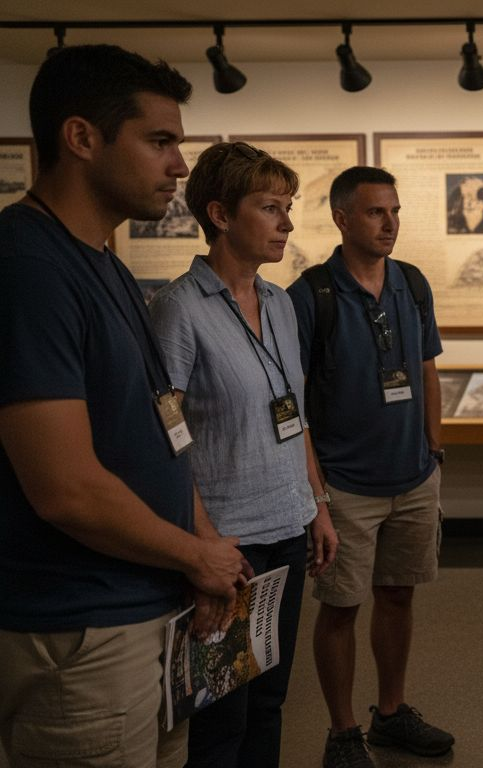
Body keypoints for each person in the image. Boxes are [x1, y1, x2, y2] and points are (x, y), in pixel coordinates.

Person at [0, 45, 250, 768]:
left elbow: (164, 425)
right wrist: (196, 555)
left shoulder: (103, 261)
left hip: (147, 607)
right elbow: (66, 488)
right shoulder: (30, 268)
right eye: (160, 140)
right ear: (81, 138)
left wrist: (202, 553)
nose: (179, 164)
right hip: (82, 633)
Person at [146, 141, 340, 768]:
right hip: (229, 542)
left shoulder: (281, 302)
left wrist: (318, 505)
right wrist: (204, 548)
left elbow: (295, 412)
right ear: (221, 214)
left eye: (289, 207)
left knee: (269, 700)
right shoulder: (180, 309)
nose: (286, 222)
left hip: (286, 529)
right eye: (269, 207)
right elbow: (165, 439)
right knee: (221, 710)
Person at [287, 167, 453, 768]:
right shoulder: (310, 295)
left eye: (395, 211)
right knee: (340, 608)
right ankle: (341, 731)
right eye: (375, 213)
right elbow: (292, 401)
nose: (390, 224)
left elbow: (428, 367)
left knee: (398, 596)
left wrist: (433, 448)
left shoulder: (411, 282)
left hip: (412, 476)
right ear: (341, 218)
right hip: (345, 485)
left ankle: (390, 713)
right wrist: (318, 495)